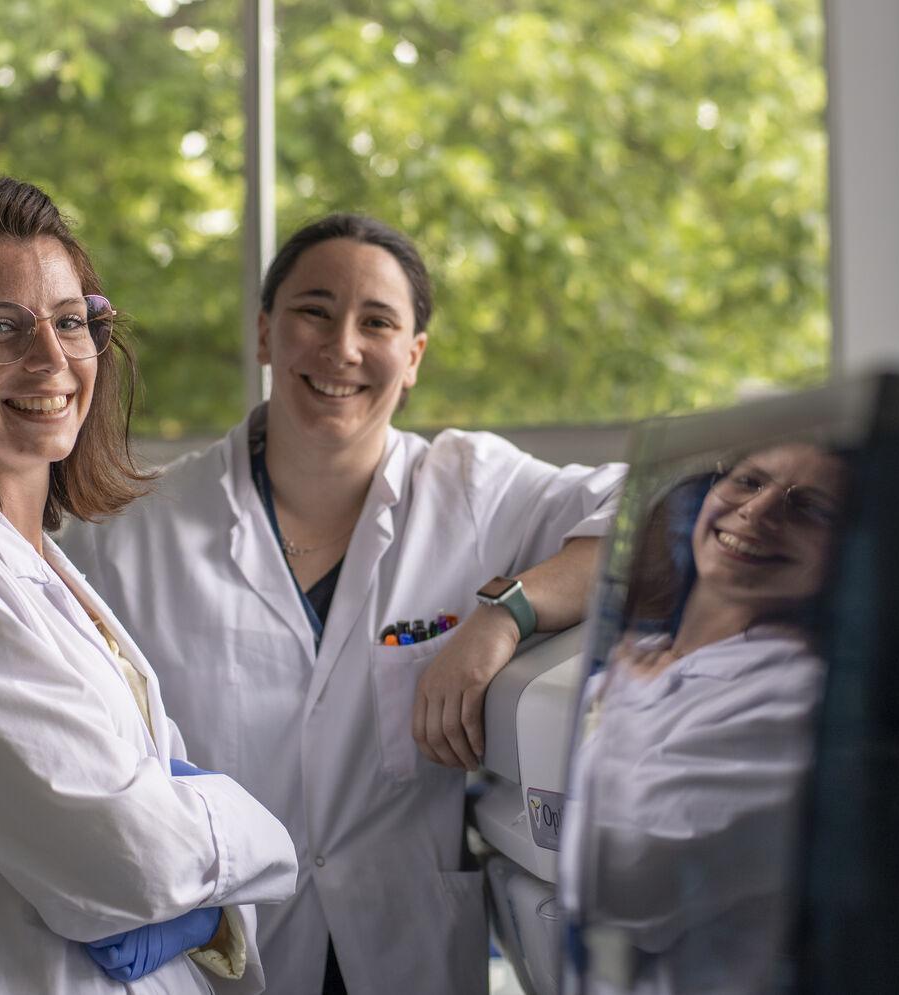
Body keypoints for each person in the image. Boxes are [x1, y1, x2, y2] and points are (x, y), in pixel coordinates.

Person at [60, 213, 626, 993]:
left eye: (378, 322)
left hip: (408, 954)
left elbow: (652, 513)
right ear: (265, 332)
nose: (343, 347)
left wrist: (508, 612)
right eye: (314, 311)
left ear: (414, 355)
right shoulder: (139, 530)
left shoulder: (471, 490)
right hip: (223, 959)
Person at [0, 176, 298, 995]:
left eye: (71, 321)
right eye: (0, 328)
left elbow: (147, 832)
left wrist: (193, 877)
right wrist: (257, 835)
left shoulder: (36, 562)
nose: (53, 358)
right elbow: (130, 859)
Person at [559, 442, 849, 995]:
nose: (758, 511)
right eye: (749, 481)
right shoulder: (639, 660)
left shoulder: (796, 695)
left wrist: (628, 705)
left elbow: (625, 881)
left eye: (810, 507)